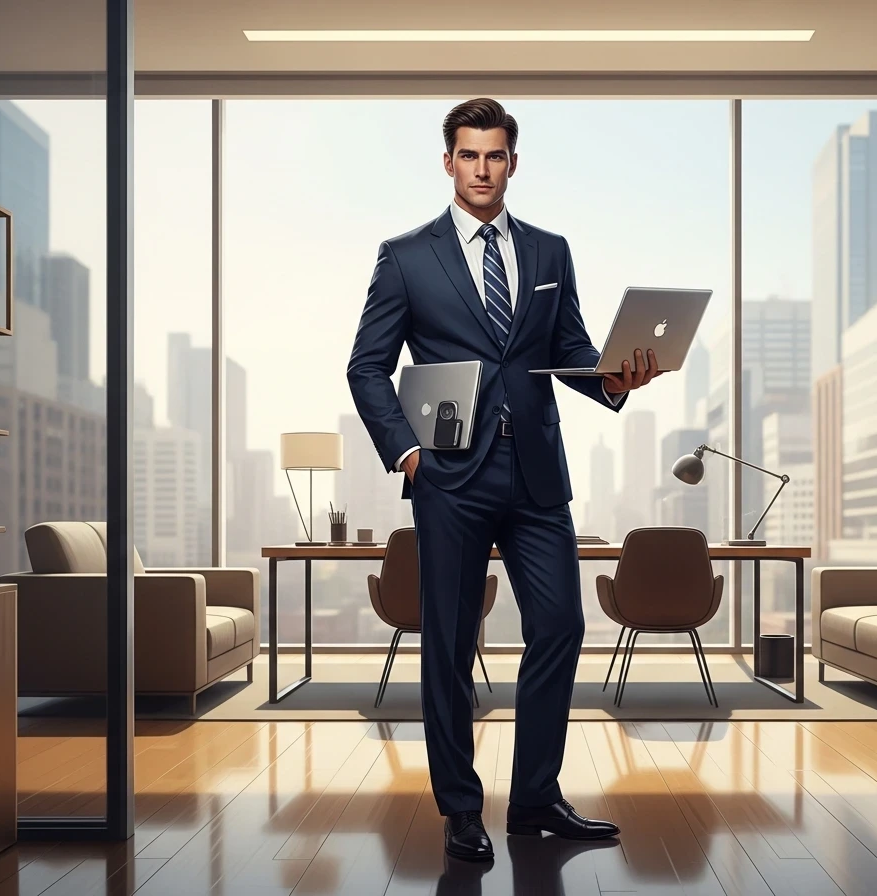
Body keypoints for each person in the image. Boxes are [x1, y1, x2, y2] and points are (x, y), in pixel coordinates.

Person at [347, 97, 662, 862]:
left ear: (512, 162)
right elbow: (366, 367)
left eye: (495, 155)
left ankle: (534, 799)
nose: (482, 169)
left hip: (537, 473)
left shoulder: (551, 252)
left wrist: (616, 381)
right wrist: (407, 454)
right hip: (449, 473)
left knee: (561, 625)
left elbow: (573, 349)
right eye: (469, 155)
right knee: (451, 641)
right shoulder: (406, 255)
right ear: (449, 161)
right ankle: (460, 808)